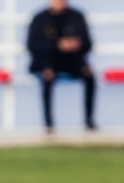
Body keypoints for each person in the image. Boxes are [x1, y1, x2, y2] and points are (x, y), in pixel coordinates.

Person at [27, 0, 96, 133]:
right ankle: (49, 124)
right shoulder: (39, 18)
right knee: (47, 75)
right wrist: (57, 46)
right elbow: (32, 45)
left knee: (89, 75)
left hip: (73, 61)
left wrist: (76, 44)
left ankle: (89, 120)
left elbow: (88, 44)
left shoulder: (77, 16)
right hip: (47, 61)